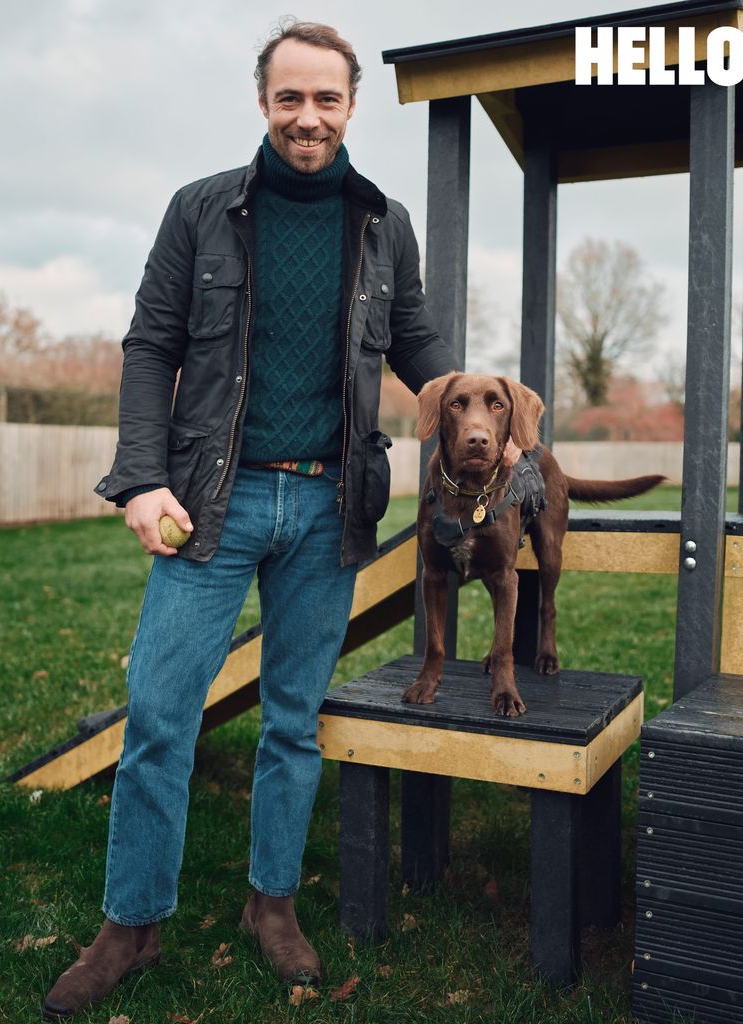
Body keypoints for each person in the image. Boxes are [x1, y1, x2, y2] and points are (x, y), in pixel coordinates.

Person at [42, 20, 458, 1019]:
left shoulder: (383, 223)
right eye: (289, 98)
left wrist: (490, 413)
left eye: (326, 99)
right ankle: (132, 924)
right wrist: (141, 480)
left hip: (329, 503)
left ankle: (270, 907)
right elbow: (151, 344)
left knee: (291, 722)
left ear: (352, 107)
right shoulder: (201, 211)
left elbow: (421, 349)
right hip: (210, 501)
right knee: (160, 715)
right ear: (264, 103)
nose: (307, 116)